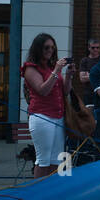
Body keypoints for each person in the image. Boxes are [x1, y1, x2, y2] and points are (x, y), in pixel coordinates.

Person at [22, 33, 71, 178]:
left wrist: (68, 75)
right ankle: (38, 192)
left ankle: (52, 191)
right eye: (46, 48)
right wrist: (56, 71)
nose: (50, 50)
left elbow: (65, 91)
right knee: (43, 159)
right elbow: (42, 90)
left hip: (58, 116)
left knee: (57, 158)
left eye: (52, 47)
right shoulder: (31, 68)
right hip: (42, 116)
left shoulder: (50, 67)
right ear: (38, 49)